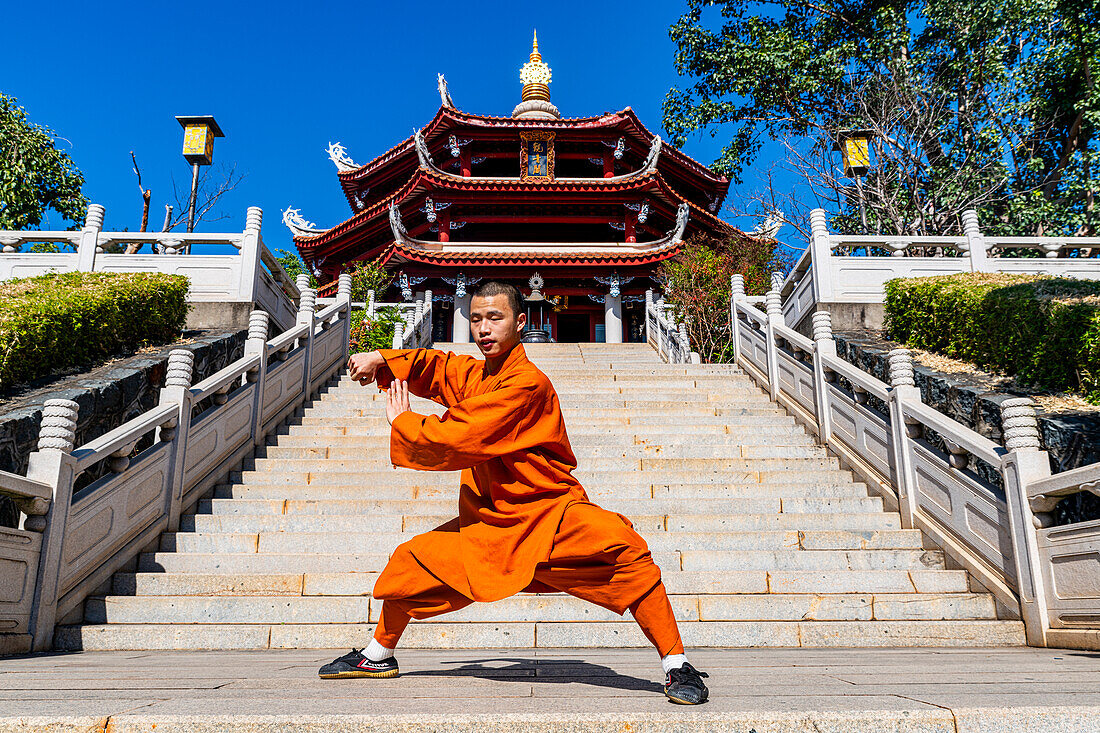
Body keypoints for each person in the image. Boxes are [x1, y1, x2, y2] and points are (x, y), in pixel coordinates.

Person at [318, 281, 709, 704]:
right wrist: (385, 359)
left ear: (520, 322)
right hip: (492, 519)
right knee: (413, 560)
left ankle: (676, 665)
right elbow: (441, 367)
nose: (483, 328)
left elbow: (463, 435)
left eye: (495, 318)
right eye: (476, 319)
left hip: (549, 513)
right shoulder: (480, 374)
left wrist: (403, 423)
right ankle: (378, 655)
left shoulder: (526, 384)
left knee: (626, 550)